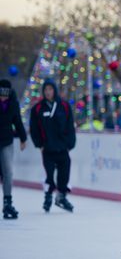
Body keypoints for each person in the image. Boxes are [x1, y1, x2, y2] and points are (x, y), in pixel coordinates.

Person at [29, 80, 76, 213]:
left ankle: (61, 196)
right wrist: (40, 145)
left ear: (54, 90)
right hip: (47, 149)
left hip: (62, 148)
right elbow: (34, 129)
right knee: (49, 175)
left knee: (64, 173)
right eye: (46, 90)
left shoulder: (64, 106)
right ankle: (48, 196)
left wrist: (70, 144)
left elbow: (70, 126)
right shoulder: (38, 108)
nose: (48, 92)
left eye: (50, 89)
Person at [0, 79, 27, 219]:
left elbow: (17, 120)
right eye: (1, 94)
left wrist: (23, 138)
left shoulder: (13, 103)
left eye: (5, 94)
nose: (3, 97)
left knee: (8, 172)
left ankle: (7, 202)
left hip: (6, 142)